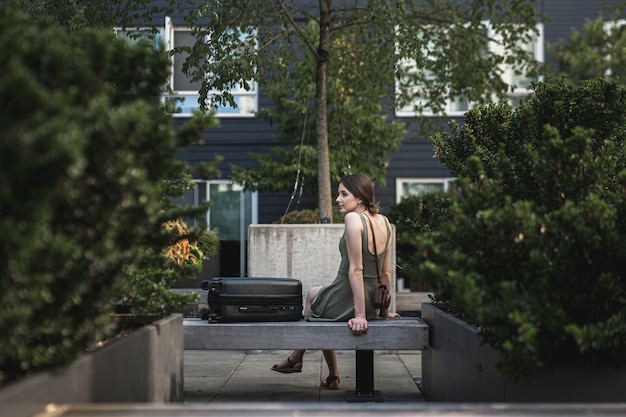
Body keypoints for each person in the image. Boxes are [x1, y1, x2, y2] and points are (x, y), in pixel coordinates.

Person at [270, 173, 400, 390]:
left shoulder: (353, 219)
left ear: (359, 198)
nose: (338, 199)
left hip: (352, 298)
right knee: (315, 294)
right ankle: (303, 361)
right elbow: (386, 273)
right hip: (372, 302)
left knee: (312, 297)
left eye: (343, 194)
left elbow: (356, 269)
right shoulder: (385, 223)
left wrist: (359, 315)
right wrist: (384, 311)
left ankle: (319, 368)